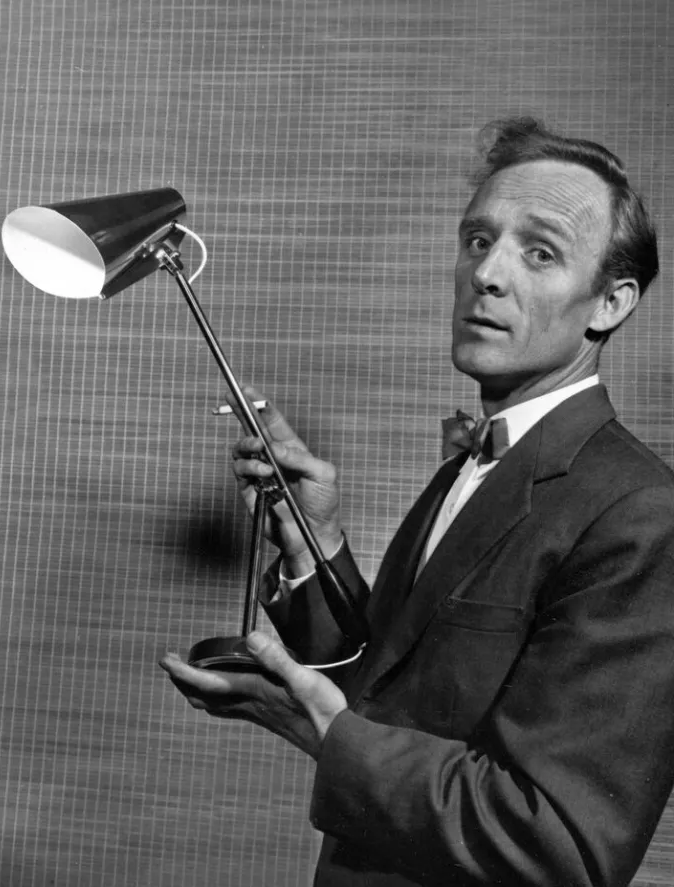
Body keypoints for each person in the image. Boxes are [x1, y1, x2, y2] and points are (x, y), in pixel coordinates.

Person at [160, 116, 674, 887]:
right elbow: (394, 688)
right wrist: (312, 545)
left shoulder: (640, 514)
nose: (487, 273)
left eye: (540, 252)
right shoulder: (474, 462)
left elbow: (560, 843)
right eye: (478, 240)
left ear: (610, 302)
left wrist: (326, 731)